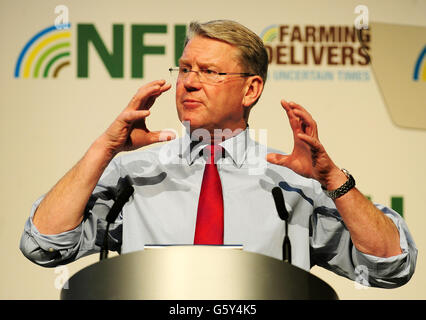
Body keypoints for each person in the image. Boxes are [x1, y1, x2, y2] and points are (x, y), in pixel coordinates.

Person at [20, 20, 416, 288]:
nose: (190, 83)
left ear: (250, 90)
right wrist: (103, 149)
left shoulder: (293, 181)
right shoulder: (133, 174)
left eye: (209, 72)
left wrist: (332, 181)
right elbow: (44, 244)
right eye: (185, 69)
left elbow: (391, 265)